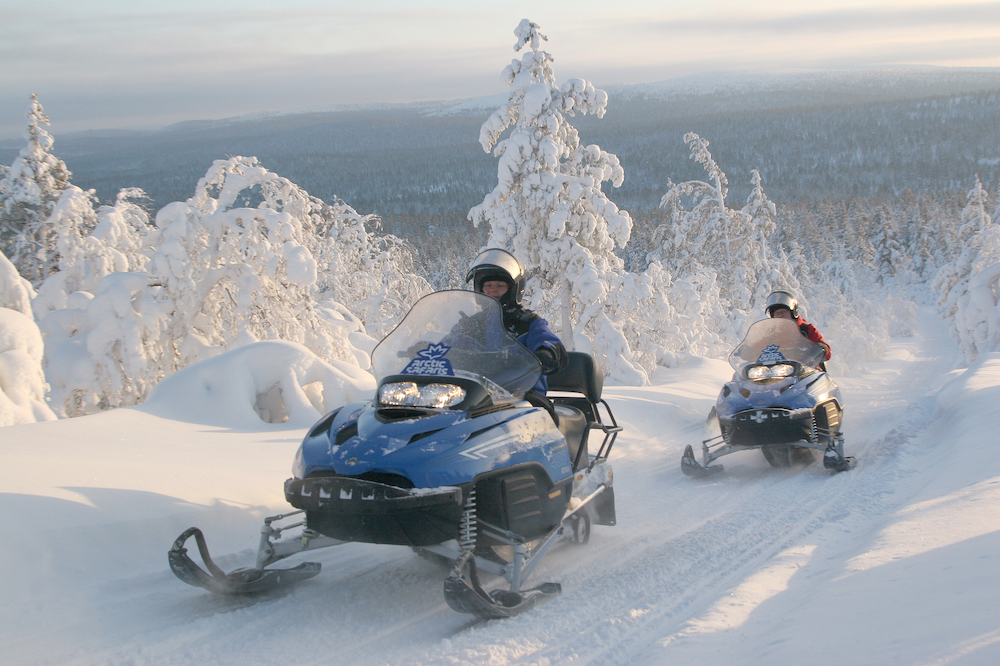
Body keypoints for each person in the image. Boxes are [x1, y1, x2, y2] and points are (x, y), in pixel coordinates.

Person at [466, 248, 567, 413]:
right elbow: (449, 343)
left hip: (523, 396)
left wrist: (547, 352)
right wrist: (423, 349)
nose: (493, 290)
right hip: (475, 396)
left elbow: (548, 341)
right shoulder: (471, 325)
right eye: (488, 285)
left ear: (513, 289)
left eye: (500, 286)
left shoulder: (528, 323)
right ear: (479, 289)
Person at [765, 290, 831, 364]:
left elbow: (826, 352)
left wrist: (821, 348)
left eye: (784, 312)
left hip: (806, 370)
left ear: (793, 313)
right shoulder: (771, 333)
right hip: (777, 370)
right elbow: (757, 348)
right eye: (777, 313)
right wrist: (750, 350)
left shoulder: (806, 329)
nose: (781, 315)